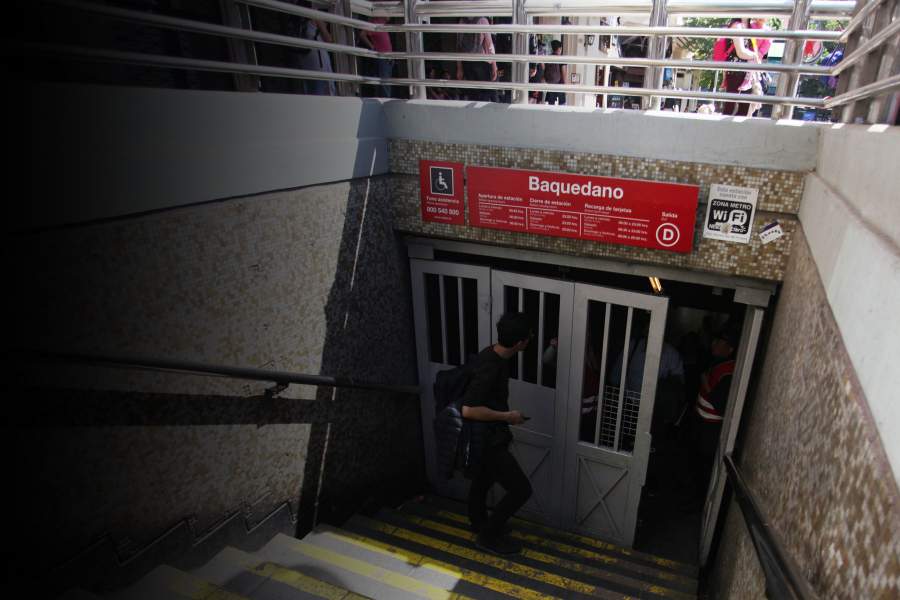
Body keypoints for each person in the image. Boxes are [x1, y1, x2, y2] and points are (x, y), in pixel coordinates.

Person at [461, 312, 533, 555]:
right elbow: (469, 409)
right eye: (528, 336)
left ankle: (479, 523)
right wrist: (507, 417)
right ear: (519, 343)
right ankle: (487, 537)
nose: (530, 339)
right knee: (521, 490)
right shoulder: (491, 366)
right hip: (489, 440)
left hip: (488, 437)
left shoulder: (492, 354)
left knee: (482, 482)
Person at [682, 320, 740, 508]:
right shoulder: (717, 363)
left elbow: (721, 404)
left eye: (720, 343)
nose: (714, 344)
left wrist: (705, 382)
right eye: (715, 341)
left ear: (729, 349)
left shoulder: (730, 371)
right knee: (694, 463)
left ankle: (698, 503)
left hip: (710, 431)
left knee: (703, 467)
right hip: (701, 425)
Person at [719, 18, 762, 116]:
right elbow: (741, 52)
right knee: (730, 109)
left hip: (746, 73)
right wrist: (755, 56)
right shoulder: (737, 26)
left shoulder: (750, 26)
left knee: (743, 110)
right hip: (735, 71)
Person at [456, 16, 498, 102]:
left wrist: (459, 68)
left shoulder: (462, 21)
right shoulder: (482, 20)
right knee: (488, 92)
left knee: (473, 94)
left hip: (467, 63)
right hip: (481, 61)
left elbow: (459, 45)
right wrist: (494, 65)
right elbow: (490, 45)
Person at [357, 17, 393, 98]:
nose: (390, 16)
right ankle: (384, 102)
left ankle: (383, 101)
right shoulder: (376, 23)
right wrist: (372, 47)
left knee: (385, 83)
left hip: (388, 58)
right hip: (382, 58)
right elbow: (362, 34)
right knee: (384, 84)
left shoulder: (382, 24)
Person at [543, 40, 567, 105]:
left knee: (551, 105)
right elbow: (564, 73)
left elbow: (544, 70)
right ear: (559, 48)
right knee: (561, 106)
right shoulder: (561, 59)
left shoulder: (548, 58)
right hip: (560, 86)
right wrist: (565, 86)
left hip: (550, 86)